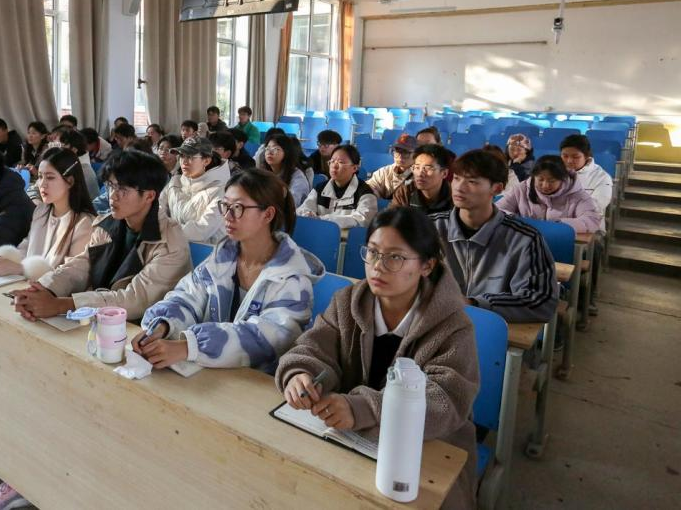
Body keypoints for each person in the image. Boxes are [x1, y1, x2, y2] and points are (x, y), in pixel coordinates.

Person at [276, 207, 481, 510]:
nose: (377, 267)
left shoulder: (452, 327)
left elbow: (445, 400)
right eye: (372, 252)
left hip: (428, 449)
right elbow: (313, 347)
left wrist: (362, 408)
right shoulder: (348, 302)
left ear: (427, 265)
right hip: (351, 439)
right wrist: (300, 373)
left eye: (394, 257)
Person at [134, 168, 323, 372]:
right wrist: (163, 325)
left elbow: (266, 338)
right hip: (212, 374)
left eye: (238, 208)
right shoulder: (223, 257)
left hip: (260, 383)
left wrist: (190, 346)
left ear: (268, 214)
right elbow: (187, 296)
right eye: (225, 206)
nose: (227, 216)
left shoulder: (292, 279)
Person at [10, 149, 190, 324]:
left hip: (141, 328)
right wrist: (43, 288)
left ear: (149, 196)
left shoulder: (169, 242)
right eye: (111, 186)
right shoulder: (107, 224)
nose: (112, 196)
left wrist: (62, 305)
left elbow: (135, 300)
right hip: (100, 318)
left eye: (122, 189)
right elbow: (82, 266)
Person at [429, 149, 557, 323]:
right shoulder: (429, 228)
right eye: (457, 178)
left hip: (495, 329)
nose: (459, 187)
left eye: (472, 181)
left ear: (497, 188)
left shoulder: (525, 239)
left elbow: (540, 300)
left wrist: (474, 304)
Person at [0, 147, 96, 283]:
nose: (42, 184)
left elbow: (73, 277)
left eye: (50, 177)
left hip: (51, 294)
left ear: (70, 181)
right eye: (40, 177)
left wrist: (21, 269)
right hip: (26, 286)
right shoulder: (41, 211)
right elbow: (27, 246)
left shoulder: (85, 223)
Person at [497, 155, 604, 234]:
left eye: (551, 181)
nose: (545, 185)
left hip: (561, 243)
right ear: (534, 176)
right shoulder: (521, 189)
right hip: (526, 242)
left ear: (562, 179)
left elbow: (592, 220)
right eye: (540, 179)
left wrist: (558, 225)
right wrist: (517, 221)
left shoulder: (577, 194)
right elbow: (498, 210)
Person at [158, 136, 232, 243]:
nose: (184, 161)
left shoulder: (222, 191)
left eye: (190, 157)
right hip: (172, 243)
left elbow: (201, 230)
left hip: (206, 249)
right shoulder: (175, 181)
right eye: (182, 156)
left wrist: (164, 230)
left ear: (206, 161)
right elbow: (159, 210)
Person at [297, 144, 377, 229]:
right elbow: (303, 209)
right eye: (332, 161)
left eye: (341, 162)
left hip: (346, 237)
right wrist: (307, 214)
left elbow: (362, 219)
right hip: (319, 233)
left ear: (354, 168)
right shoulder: (320, 188)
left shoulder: (365, 192)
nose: (334, 166)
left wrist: (322, 220)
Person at [390, 144, 455, 214]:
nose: (420, 174)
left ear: (444, 173)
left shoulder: (455, 195)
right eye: (417, 167)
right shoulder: (404, 192)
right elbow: (391, 218)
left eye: (428, 168)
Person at [560, 134, 613, 214]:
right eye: (565, 156)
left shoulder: (602, 178)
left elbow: (595, 206)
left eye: (575, 157)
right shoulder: (553, 171)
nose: (569, 161)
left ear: (587, 156)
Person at [258, 135, 311, 205]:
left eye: (275, 149)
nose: (269, 152)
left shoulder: (298, 177)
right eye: (267, 148)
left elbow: (291, 204)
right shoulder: (264, 173)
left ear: (286, 152)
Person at [52, 127, 100, 199]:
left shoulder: (83, 170)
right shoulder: (65, 164)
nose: (55, 152)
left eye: (60, 147)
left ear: (74, 150)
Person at [367, 133, 416, 200]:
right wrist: (371, 192)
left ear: (416, 154)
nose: (400, 157)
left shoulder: (420, 175)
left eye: (405, 152)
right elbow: (372, 185)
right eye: (397, 152)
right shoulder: (384, 172)